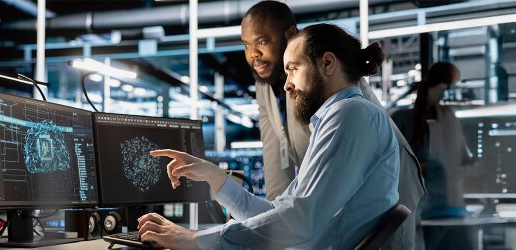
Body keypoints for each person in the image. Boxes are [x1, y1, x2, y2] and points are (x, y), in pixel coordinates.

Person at [137, 23, 400, 249]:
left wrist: (195, 239)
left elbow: (298, 221)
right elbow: (278, 214)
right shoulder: (339, 118)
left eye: (293, 69)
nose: (287, 84)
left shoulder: (351, 114)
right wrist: (214, 177)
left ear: (327, 63)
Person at [242, 2, 425, 249]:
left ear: (290, 35)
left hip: (388, 181)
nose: (253, 54)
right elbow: (276, 157)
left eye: (262, 41)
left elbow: (341, 139)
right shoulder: (265, 89)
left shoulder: (323, 78)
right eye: (246, 45)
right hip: (338, 191)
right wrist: (275, 224)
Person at [391, 62, 475, 220]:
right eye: (447, 88)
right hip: (423, 205)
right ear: (441, 87)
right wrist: (427, 166)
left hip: (447, 203)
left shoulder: (446, 116)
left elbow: (463, 159)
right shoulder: (404, 119)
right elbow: (396, 165)